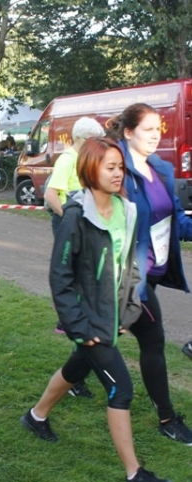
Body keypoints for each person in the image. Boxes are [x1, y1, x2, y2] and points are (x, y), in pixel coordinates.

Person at [20, 137, 172, 482]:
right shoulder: (75, 216)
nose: (118, 174)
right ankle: (134, 474)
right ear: (90, 170)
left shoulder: (126, 209)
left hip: (110, 315)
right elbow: (60, 276)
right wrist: (78, 325)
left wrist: (128, 311)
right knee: (121, 388)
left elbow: (130, 266)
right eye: (110, 167)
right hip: (85, 319)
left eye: (120, 167)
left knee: (77, 367)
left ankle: (35, 417)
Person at [107, 102, 192, 444]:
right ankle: (167, 418)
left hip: (153, 270)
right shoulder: (115, 169)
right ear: (128, 132)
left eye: (159, 129)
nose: (156, 136)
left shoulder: (160, 168)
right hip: (128, 277)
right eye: (148, 129)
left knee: (96, 345)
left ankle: (38, 413)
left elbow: (176, 219)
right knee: (153, 341)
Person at [43, 117, 105, 398]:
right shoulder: (68, 158)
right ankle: (76, 374)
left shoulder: (85, 158)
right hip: (70, 226)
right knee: (80, 289)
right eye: (94, 139)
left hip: (84, 227)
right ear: (82, 138)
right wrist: (71, 220)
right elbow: (50, 194)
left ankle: (78, 370)